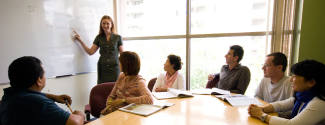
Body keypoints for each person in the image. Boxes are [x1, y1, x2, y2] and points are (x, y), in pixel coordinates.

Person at [0, 56, 85, 125]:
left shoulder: (8, 96)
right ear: (39, 80)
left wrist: (54, 97)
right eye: (44, 73)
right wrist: (80, 115)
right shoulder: (40, 103)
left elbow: (27, 95)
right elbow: (75, 123)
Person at [248, 60, 325, 125]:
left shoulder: (319, 102)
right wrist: (262, 109)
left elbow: (291, 124)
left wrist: (260, 114)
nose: (291, 80)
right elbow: (282, 104)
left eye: (294, 76)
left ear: (311, 82)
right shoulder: (302, 96)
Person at [74, 15, 123, 84]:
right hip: (102, 68)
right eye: (103, 23)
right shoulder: (99, 37)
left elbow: (123, 55)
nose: (105, 25)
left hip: (115, 68)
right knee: (102, 89)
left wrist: (123, 70)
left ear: (111, 25)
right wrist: (80, 40)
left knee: (116, 89)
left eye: (107, 23)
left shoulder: (118, 37)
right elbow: (90, 52)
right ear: (101, 24)